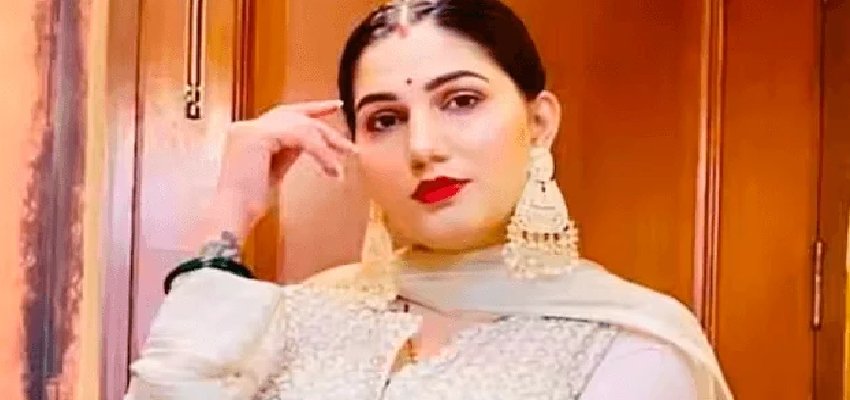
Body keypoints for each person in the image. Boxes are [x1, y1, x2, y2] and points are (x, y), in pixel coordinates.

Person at [124, 0, 734, 399]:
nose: (422, 146)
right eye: (385, 119)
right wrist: (227, 215)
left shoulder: (629, 342)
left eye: (461, 102)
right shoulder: (299, 317)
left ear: (539, 122)